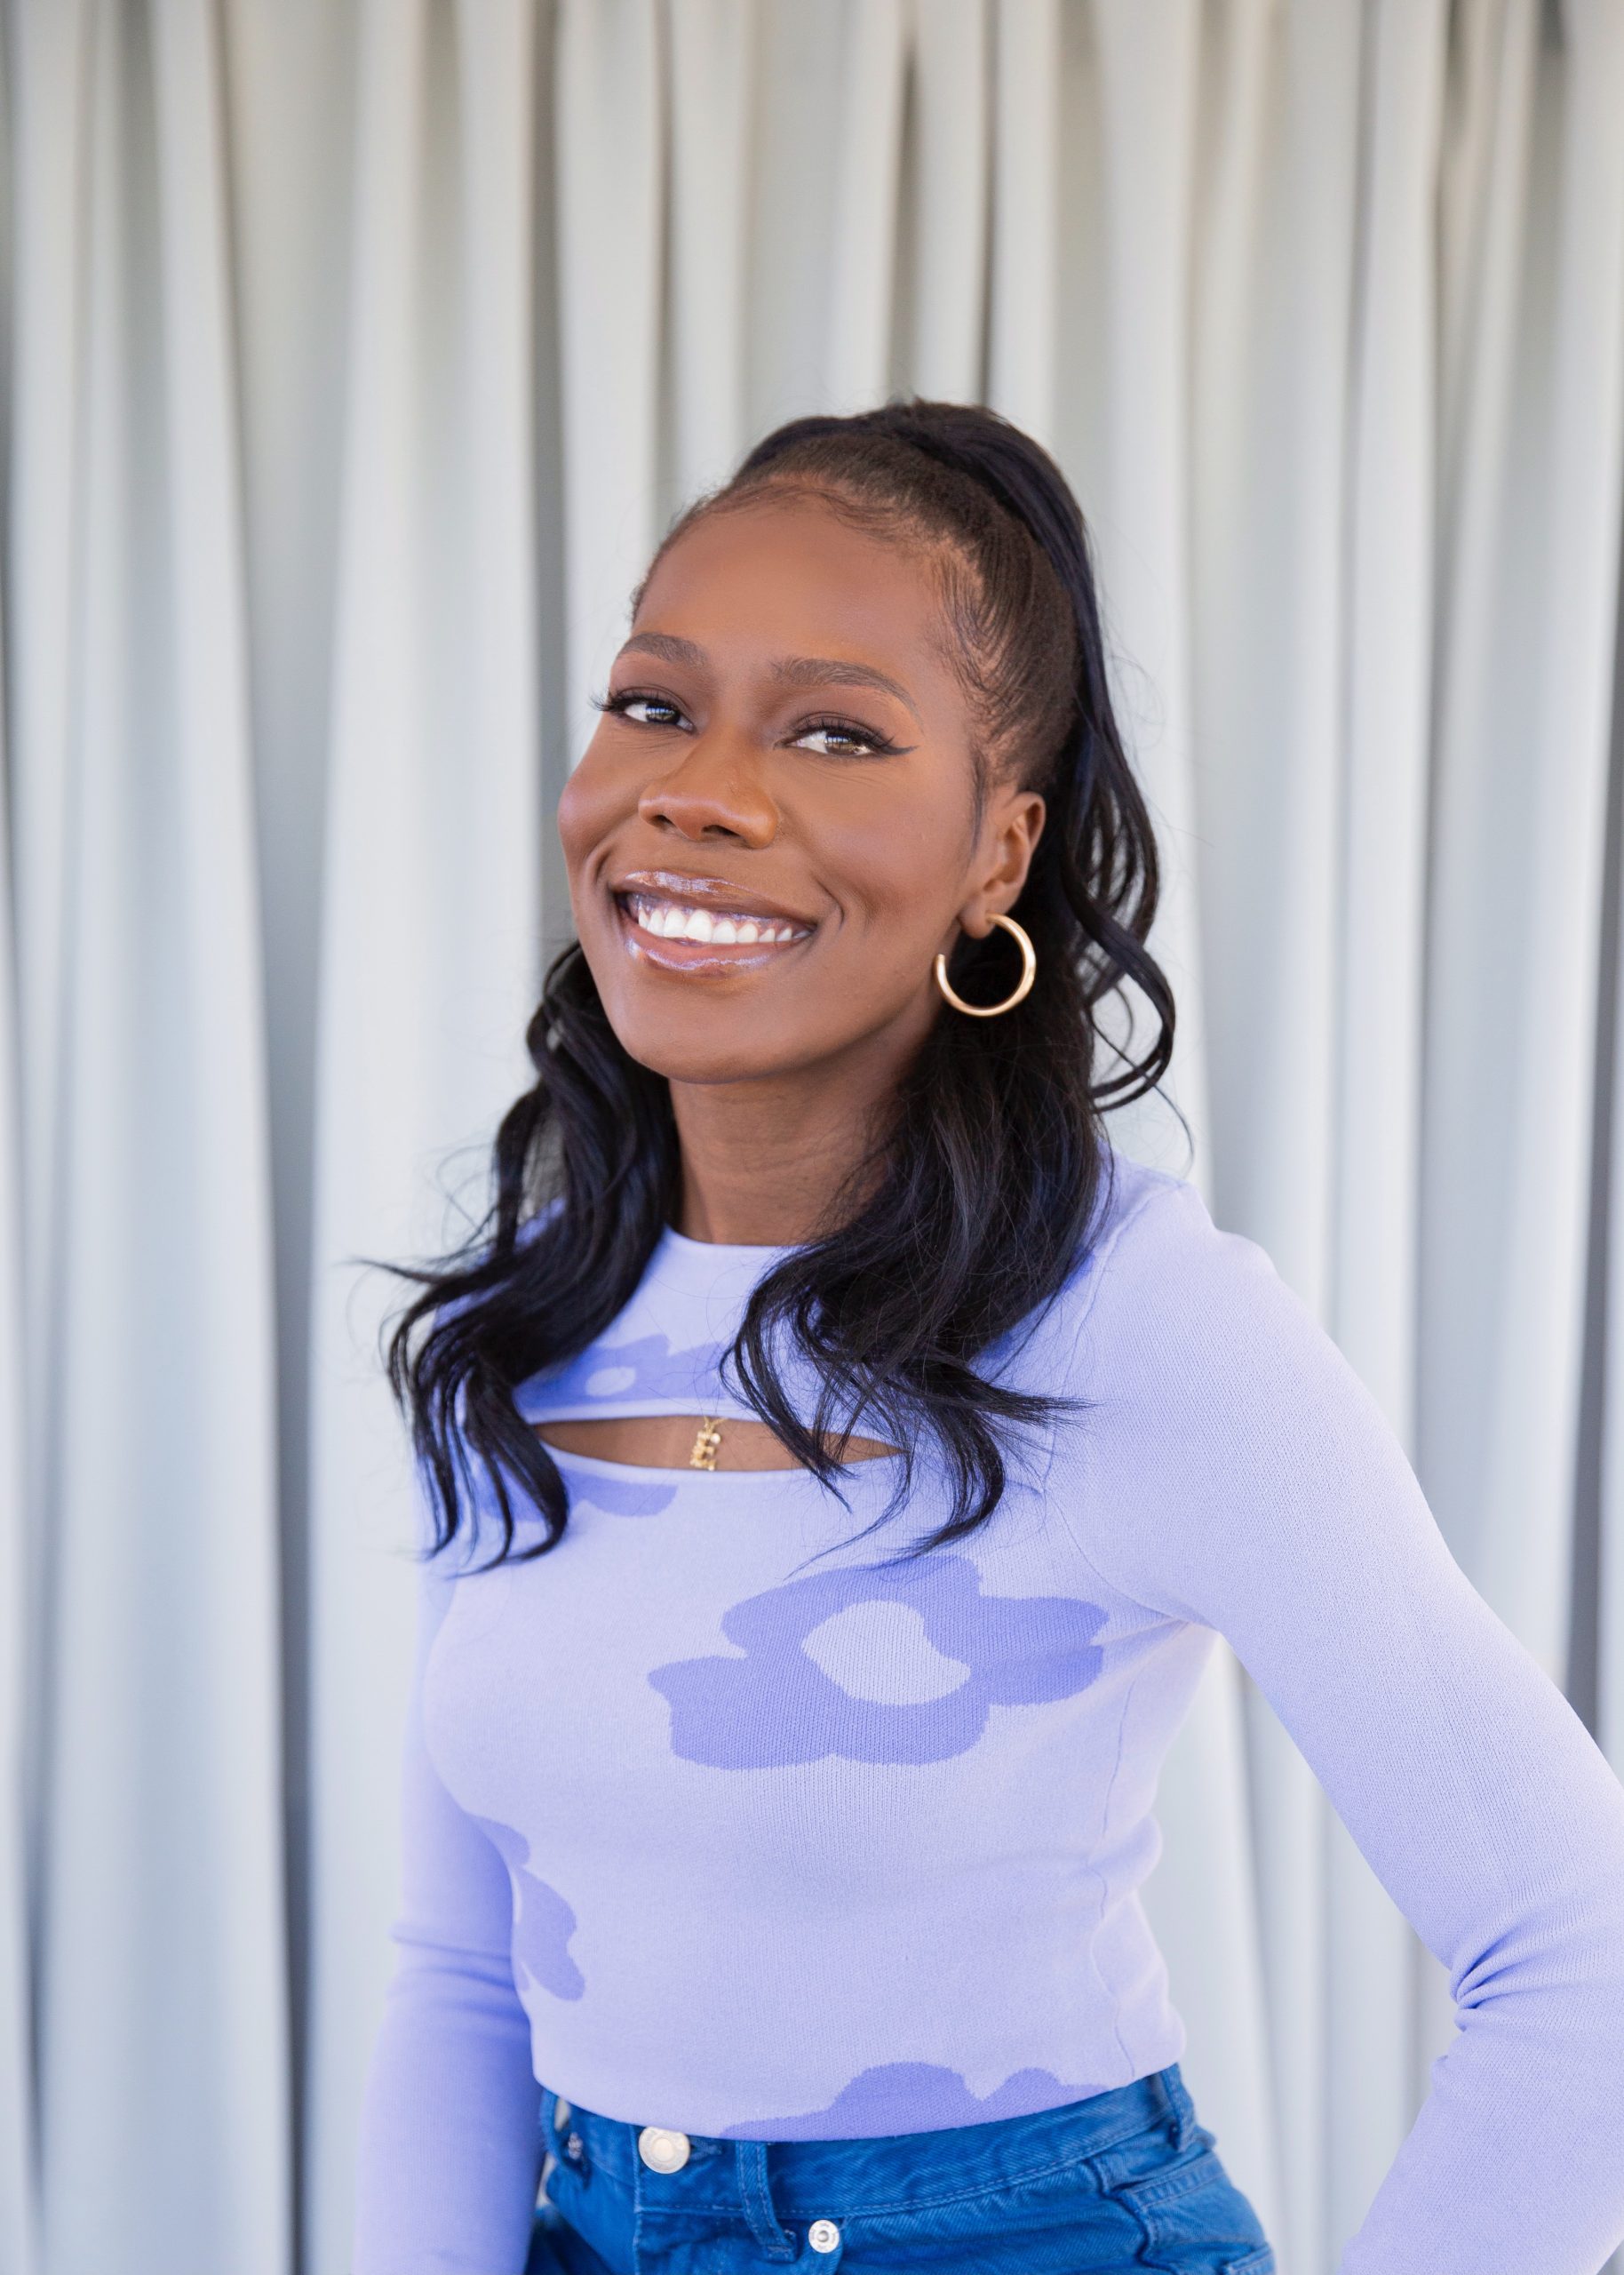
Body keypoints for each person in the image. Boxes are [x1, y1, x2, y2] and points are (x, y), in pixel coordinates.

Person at [350, 400, 1624, 2275]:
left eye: (835, 730)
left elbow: (1576, 1949)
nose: (693, 788)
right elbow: (462, 1973)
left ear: (994, 852)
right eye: (651, 702)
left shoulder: (1137, 1319)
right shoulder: (531, 1314)